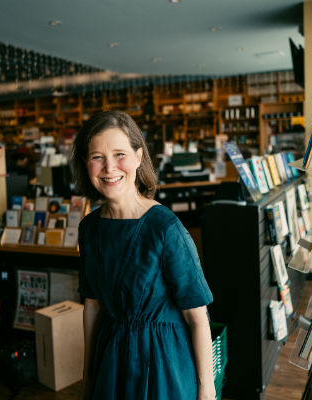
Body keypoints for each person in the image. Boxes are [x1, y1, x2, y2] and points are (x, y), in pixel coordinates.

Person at [71, 111, 216, 400]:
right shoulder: (89, 228)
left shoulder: (165, 228)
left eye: (119, 154)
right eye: (97, 157)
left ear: (138, 157)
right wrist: (88, 376)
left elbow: (197, 317)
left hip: (164, 365)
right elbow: (92, 307)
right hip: (111, 360)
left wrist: (207, 390)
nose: (109, 167)